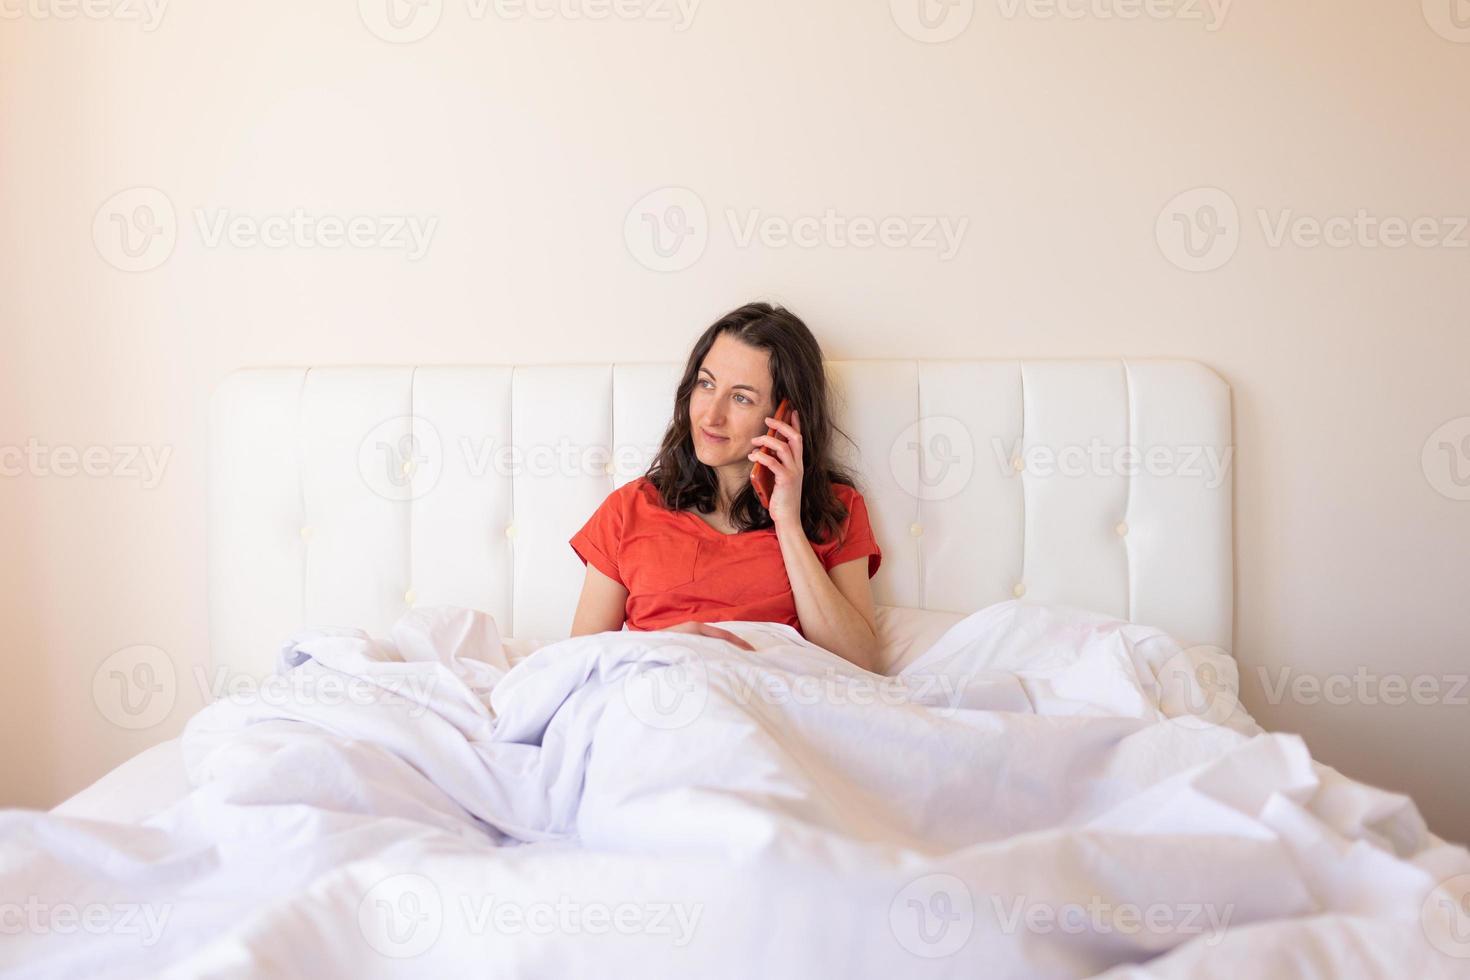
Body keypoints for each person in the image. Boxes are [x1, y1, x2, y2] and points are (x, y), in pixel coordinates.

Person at [568, 301, 883, 672]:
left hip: (769, 703)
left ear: (786, 417)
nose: (711, 415)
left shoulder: (835, 508)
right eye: (706, 384)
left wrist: (788, 521)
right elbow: (578, 666)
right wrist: (669, 646)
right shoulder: (629, 509)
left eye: (741, 398)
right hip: (658, 699)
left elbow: (862, 664)